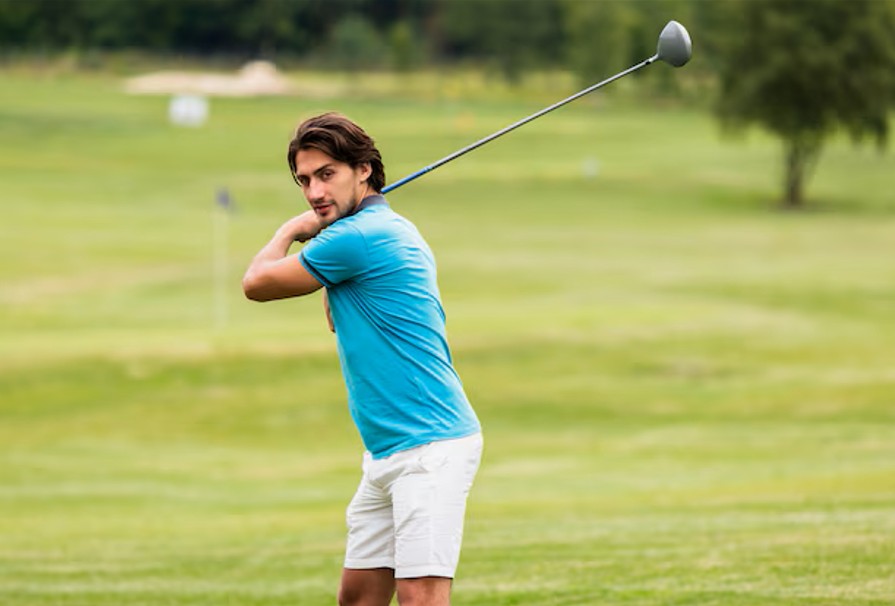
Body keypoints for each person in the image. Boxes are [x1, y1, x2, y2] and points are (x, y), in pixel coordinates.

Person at [242, 112, 483, 606]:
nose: (313, 192)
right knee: (358, 598)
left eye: (327, 174)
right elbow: (339, 312)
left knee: (421, 598)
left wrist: (292, 228)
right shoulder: (376, 230)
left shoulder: (358, 238)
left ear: (364, 170)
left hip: (429, 446)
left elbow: (256, 284)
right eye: (304, 181)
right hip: (386, 451)